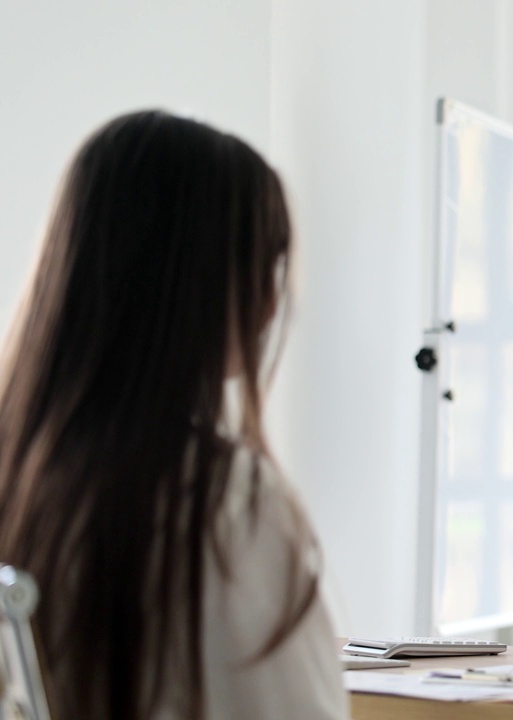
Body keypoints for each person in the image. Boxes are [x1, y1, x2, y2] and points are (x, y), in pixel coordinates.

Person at [0, 111, 348, 719]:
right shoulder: (223, 499)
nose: (272, 303)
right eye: (264, 266)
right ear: (207, 287)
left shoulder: (24, 473)